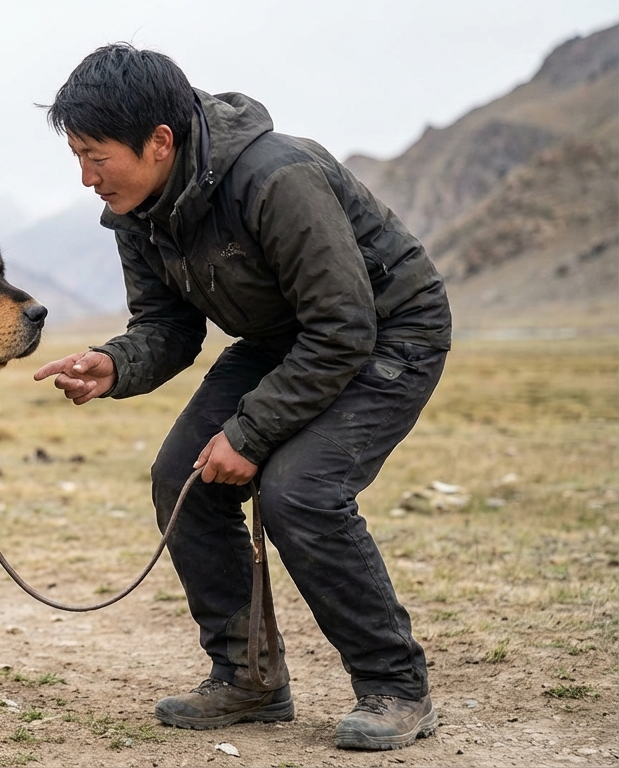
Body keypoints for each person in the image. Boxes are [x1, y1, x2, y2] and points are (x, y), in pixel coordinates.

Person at [33, 43, 452, 752]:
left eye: (96, 157)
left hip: (388, 333)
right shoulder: (137, 210)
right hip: (282, 338)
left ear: (159, 141)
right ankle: (248, 677)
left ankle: (397, 687)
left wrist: (250, 435)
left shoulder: (277, 178)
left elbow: (343, 327)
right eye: (77, 157)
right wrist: (114, 364)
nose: (86, 178)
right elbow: (168, 326)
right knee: (183, 477)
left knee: (300, 493)